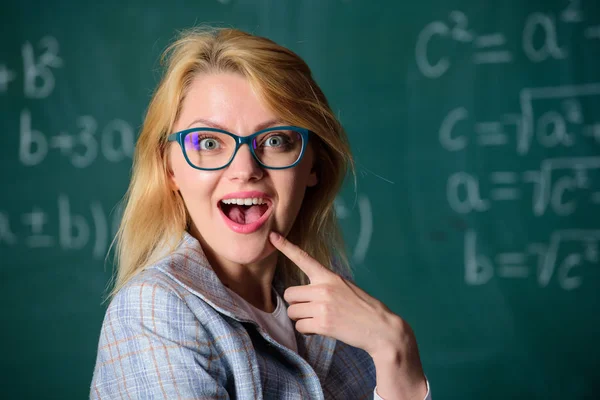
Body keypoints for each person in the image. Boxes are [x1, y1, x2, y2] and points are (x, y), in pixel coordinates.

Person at [90, 27, 431, 400]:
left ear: (313, 165)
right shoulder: (155, 310)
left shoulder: (327, 292)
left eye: (275, 140)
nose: (245, 168)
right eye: (208, 142)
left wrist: (395, 351)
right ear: (169, 169)